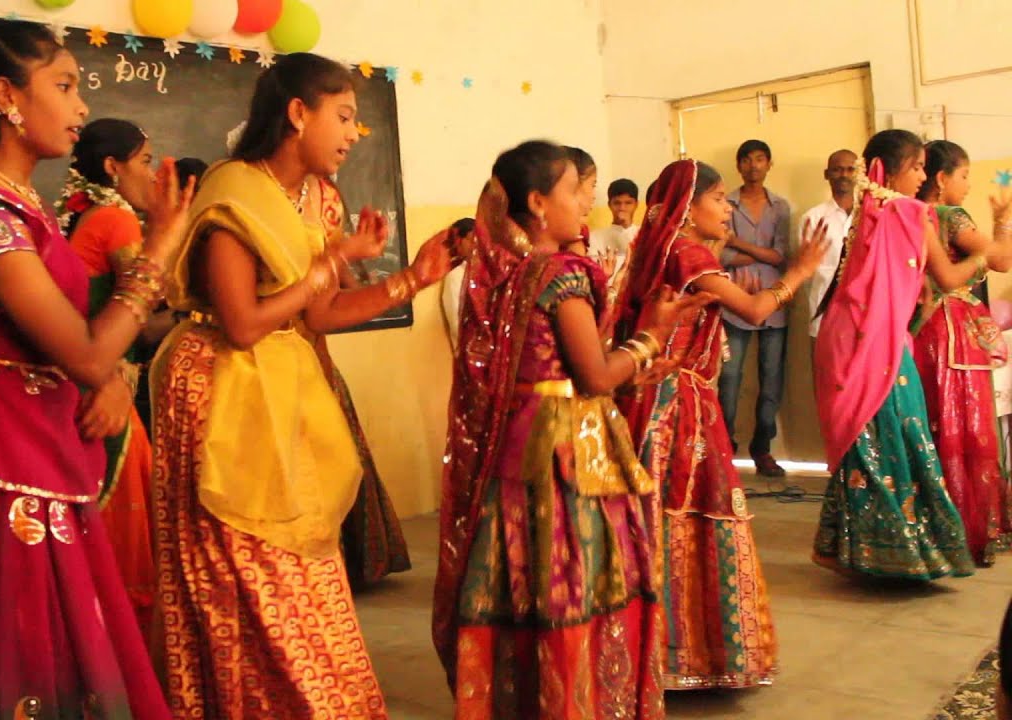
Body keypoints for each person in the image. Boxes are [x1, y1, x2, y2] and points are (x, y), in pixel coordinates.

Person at [0, 20, 187, 718]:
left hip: (33, 437)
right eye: (66, 85)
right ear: (6, 96)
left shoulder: (22, 209)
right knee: (16, 635)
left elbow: (62, 341)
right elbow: (82, 349)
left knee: (56, 629)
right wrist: (163, 243)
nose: (81, 108)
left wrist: (102, 378)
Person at [146, 51, 454, 717]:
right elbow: (245, 322)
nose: (352, 133)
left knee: (302, 561)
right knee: (238, 562)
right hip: (217, 390)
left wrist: (411, 281)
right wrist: (329, 265)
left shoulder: (314, 201)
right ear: (296, 114)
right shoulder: (233, 194)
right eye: (342, 116)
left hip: (282, 387)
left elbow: (319, 315)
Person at [433, 141, 712, 718]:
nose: (587, 200)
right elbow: (594, 374)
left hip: (520, 444)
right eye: (574, 191)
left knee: (525, 584)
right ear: (538, 203)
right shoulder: (561, 272)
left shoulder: (507, 273)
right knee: (581, 580)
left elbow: (554, 368)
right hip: (567, 450)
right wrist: (651, 337)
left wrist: (632, 368)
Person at [614, 158, 827, 689]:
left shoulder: (671, 252)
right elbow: (755, 311)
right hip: (678, 407)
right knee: (687, 519)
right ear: (688, 209)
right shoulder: (685, 252)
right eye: (717, 199)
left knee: (659, 523)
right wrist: (799, 271)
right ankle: (684, 658)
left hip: (661, 401)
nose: (727, 207)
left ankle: (657, 657)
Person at [812, 129, 978, 580]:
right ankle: (898, 554)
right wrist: (988, 252)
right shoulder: (908, 212)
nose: (923, 176)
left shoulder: (869, 213)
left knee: (868, 441)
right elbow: (947, 277)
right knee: (897, 435)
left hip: (850, 339)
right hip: (876, 343)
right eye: (918, 167)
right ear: (891, 170)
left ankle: (848, 548)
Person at [58, 117, 174, 634]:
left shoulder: (81, 216)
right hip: (107, 386)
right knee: (126, 540)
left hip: (74, 386)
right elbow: (141, 318)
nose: (152, 174)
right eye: (146, 161)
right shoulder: (117, 219)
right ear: (113, 167)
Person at [307, 174, 414, 588]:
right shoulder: (257, 217)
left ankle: (348, 564)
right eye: (342, 119)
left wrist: (402, 278)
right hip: (284, 367)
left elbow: (343, 294)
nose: (350, 137)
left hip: (315, 360)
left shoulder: (324, 228)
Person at [911, 139, 1012, 566]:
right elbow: (1002, 259)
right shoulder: (950, 216)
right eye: (964, 175)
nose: (967, 184)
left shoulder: (909, 213)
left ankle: (935, 528)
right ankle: (973, 530)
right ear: (941, 178)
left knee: (935, 424)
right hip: (954, 331)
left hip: (923, 330)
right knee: (967, 427)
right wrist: (1003, 222)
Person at [717, 139, 791, 477]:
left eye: (760, 159)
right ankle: (723, 450)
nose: (753, 166)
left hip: (774, 303)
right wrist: (757, 254)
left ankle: (762, 450)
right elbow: (721, 256)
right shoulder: (725, 204)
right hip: (734, 303)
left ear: (769, 164)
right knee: (729, 380)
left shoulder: (781, 207)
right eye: (746, 159)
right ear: (739, 165)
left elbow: (780, 256)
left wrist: (740, 244)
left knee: (771, 381)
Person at [803, 150, 857, 338]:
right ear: (827, 174)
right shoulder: (813, 218)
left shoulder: (870, 215)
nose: (844, 175)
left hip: (861, 313)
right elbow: (806, 273)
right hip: (823, 311)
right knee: (824, 367)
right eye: (837, 170)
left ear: (859, 173)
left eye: (851, 169)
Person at [441, 217, 476, 352]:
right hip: (467, 353)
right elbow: (457, 324)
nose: (476, 245)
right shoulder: (455, 276)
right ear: (459, 242)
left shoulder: (485, 273)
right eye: (472, 240)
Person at [594, 178, 641, 261]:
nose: (622, 208)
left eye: (628, 203)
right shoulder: (595, 237)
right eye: (617, 203)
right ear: (609, 205)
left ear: (636, 204)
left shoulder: (644, 234)